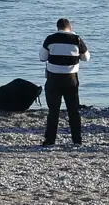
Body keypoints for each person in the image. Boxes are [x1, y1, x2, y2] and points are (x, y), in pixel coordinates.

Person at [39, 18, 91, 147]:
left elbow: (42, 57)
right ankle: (77, 140)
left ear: (58, 27)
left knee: (53, 111)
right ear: (70, 27)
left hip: (53, 78)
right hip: (71, 78)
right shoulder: (77, 39)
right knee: (73, 110)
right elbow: (86, 58)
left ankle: (50, 140)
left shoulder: (50, 39)